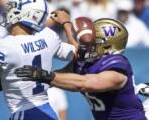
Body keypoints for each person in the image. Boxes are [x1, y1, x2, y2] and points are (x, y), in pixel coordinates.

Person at [0, 0, 75, 120]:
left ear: (27, 14)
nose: (9, 12)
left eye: (15, 8)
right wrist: (67, 24)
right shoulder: (48, 36)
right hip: (48, 113)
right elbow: (76, 53)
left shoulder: (4, 46)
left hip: (24, 114)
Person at [15, 18, 147, 120]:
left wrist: (44, 76)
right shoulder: (88, 63)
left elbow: (85, 83)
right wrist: (18, 80)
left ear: (107, 47)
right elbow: (58, 76)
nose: (88, 45)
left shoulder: (117, 67)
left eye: (94, 42)